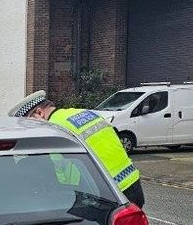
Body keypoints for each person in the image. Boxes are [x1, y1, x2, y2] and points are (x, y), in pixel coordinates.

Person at [9, 88, 145, 207]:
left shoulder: (55, 129)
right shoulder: (82, 113)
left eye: (29, 122)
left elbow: (63, 169)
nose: (31, 129)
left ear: (39, 113)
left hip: (107, 193)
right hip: (131, 182)